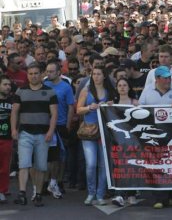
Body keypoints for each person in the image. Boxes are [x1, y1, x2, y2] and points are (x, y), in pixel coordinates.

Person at [139, 66, 172, 209]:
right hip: (154, 136)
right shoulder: (147, 91)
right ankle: (159, 197)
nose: (168, 80)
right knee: (156, 167)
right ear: (157, 79)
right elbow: (140, 110)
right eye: (165, 78)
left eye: (169, 77)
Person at [11, 62, 58, 207]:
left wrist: (50, 131)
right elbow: (14, 112)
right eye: (30, 74)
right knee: (24, 165)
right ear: (27, 75)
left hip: (43, 134)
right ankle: (22, 194)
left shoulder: (50, 91)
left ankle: (38, 194)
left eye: (36, 73)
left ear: (41, 74)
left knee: (41, 166)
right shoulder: (20, 91)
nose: (33, 76)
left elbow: (54, 114)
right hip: (25, 133)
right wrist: (14, 129)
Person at [77, 65, 116, 206]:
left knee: (103, 165)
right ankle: (91, 192)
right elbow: (78, 110)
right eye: (94, 74)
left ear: (104, 76)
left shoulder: (109, 91)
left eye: (99, 74)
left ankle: (99, 194)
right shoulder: (86, 90)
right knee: (91, 164)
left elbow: (116, 110)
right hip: (89, 131)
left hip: (105, 132)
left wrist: (111, 105)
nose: (96, 76)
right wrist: (89, 107)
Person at [44, 60, 75, 199]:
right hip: (47, 125)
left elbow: (70, 107)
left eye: (51, 71)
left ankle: (58, 182)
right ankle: (48, 182)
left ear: (58, 73)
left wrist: (68, 125)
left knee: (61, 157)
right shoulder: (44, 85)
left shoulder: (66, 87)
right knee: (49, 157)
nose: (48, 74)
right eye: (47, 71)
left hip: (61, 124)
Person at [111, 78, 140, 207]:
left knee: (132, 167)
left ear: (129, 88)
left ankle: (132, 193)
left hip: (133, 140)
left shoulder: (135, 103)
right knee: (120, 167)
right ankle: (119, 194)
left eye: (125, 85)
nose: (122, 87)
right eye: (120, 85)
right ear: (116, 88)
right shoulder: (111, 104)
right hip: (118, 141)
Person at [0, 75, 12, 203]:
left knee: (4, 167)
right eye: (5, 84)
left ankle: (2, 190)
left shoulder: (12, 101)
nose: (8, 87)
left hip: (7, 138)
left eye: (9, 85)